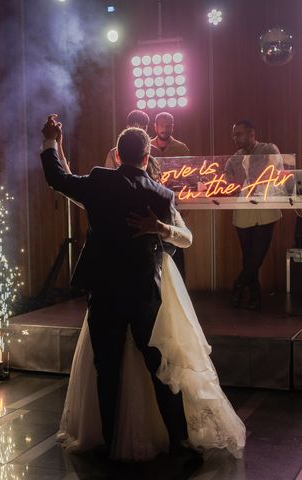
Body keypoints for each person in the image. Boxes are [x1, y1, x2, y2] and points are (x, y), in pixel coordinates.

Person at [42, 116, 246, 462]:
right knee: (160, 366)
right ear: (148, 155)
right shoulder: (161, 193)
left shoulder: (98, 182)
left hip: (104, 291)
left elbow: (58, 179)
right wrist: (161, 227)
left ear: (118, 156)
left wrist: (52, 142)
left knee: (105, 368)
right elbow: (187, 239)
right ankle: (178, 437)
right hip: (143, 292)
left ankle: (108, 440)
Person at [225, 120, 283, 310]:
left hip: (265, 208)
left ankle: (238, 285)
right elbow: (228, 184)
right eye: (234, 135)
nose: (235, 138)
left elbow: (276, 174)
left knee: (257, 255)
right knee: (248, 256)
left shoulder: (269, 149)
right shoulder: (233, 160)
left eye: (239, 134)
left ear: (252, 133)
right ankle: (255, 296)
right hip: (243, 209)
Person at [151, 112, 191, 278]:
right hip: (152, 203)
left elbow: (190, 179)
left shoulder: (181, 148)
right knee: (155, 244)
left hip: (174, 203)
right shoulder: (147, 146)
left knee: (177, 244)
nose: (165, 128)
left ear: (173, 127)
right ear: (155, 126)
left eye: (169, 125)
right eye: (162, 124)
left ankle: (178, 286)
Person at [105, 109, 162, 181]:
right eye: (136, 127)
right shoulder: (113, 153)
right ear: (128, 127)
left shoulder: (155, 151)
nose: (141, 131)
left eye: (144, 128)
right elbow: (110, 180)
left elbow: (161, 178)